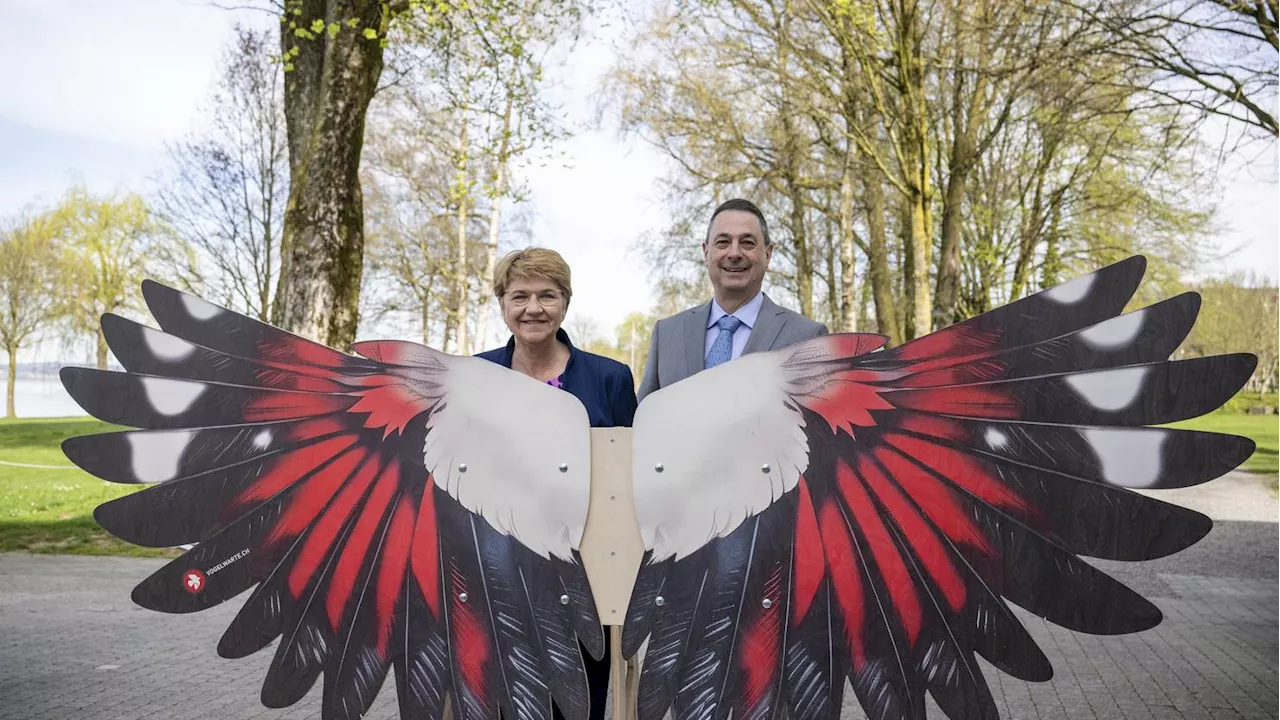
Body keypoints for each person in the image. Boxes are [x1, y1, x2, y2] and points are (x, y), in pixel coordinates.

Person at [475, 246, 636, 720]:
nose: (533, 308)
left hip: (587, 577)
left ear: (565, 302)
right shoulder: (475, 375)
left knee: (578, 704)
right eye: (519, 295)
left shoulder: (611, 378)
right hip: (497, 577)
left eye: (547, 295)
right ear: (502, 304)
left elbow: (628, 480)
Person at [637, 198, 828, 401]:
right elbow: (642, 423)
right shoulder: (667, 335)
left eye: (747, 243)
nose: (735, 253)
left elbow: (820, 428)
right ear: (706, 252)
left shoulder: (808, 338)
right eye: (723, 242)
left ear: (768, 255)